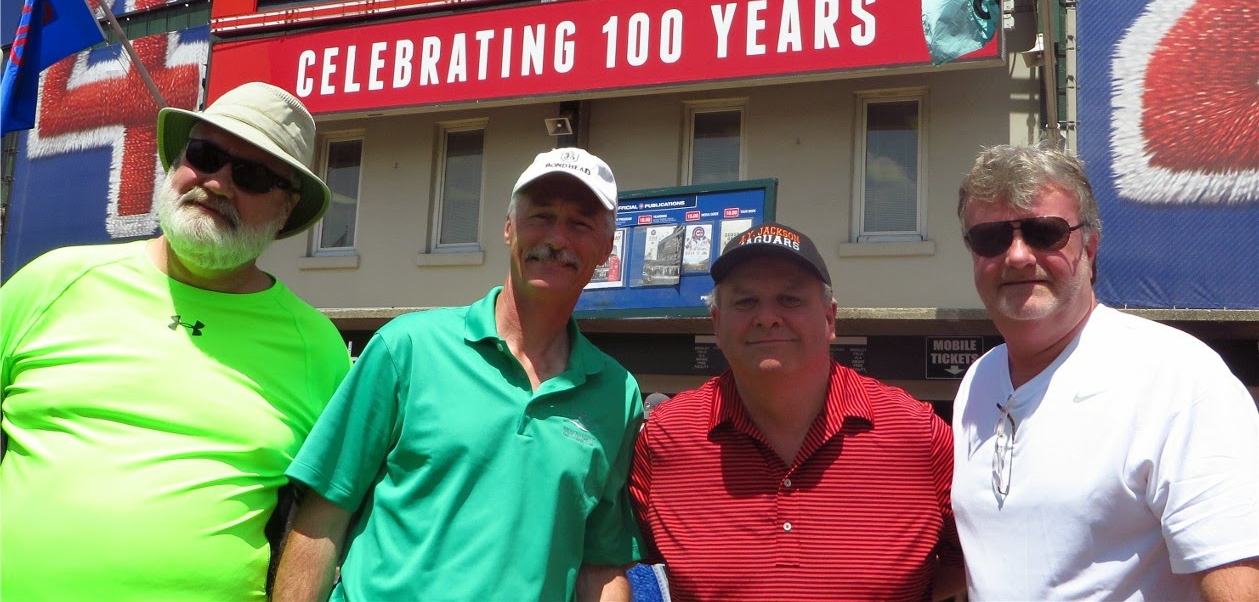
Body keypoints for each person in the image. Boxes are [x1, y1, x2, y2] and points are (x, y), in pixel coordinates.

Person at [0, 81, 351, 602]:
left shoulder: (318, 348)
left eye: (252, 175)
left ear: (286, 208)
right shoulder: (53, 282)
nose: (217, 183)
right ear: (177, 162)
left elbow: (328, 516)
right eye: (206, 155)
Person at [273, 146, 643, 602]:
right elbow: (322, 518)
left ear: (606, 247)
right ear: (508, 228)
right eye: (540, 216)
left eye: (580, 224)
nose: (557, 238)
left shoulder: (617, 394)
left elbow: (600, 565)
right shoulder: (406, 348)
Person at [953, 144, 1259, 602]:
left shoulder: (1176, 377)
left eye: (1044, 232)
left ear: (1089, 248)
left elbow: (1237, 581)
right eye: (991, 238)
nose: (1017, 256)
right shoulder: (978, 381)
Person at [630, 222, 963, 602]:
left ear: (830, 319)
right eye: (745, 301)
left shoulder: (919, 435)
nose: (767, 317)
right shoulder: (666, 438)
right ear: (717, 325)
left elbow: (966, 564)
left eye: (790, 299)